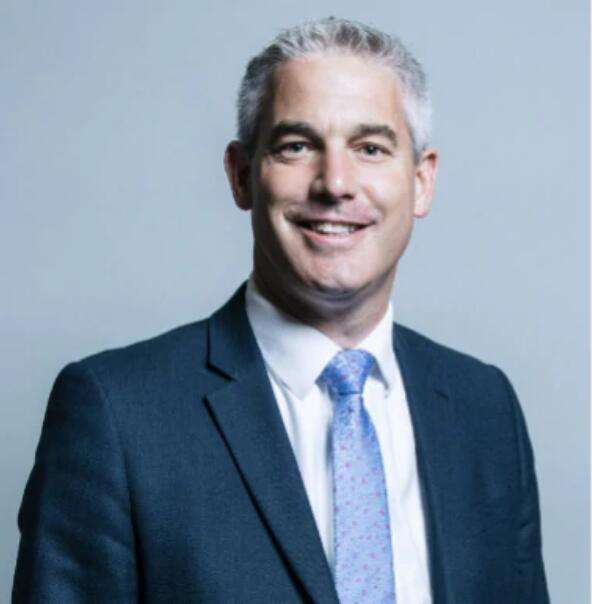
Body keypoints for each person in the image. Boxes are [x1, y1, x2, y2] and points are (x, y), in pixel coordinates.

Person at [12, 17, 549, 603]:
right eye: (298, 146)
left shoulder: (485, 409)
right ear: (242, 175)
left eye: (370, 149)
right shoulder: (117, 414)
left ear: (421, 181)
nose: (335, 183)